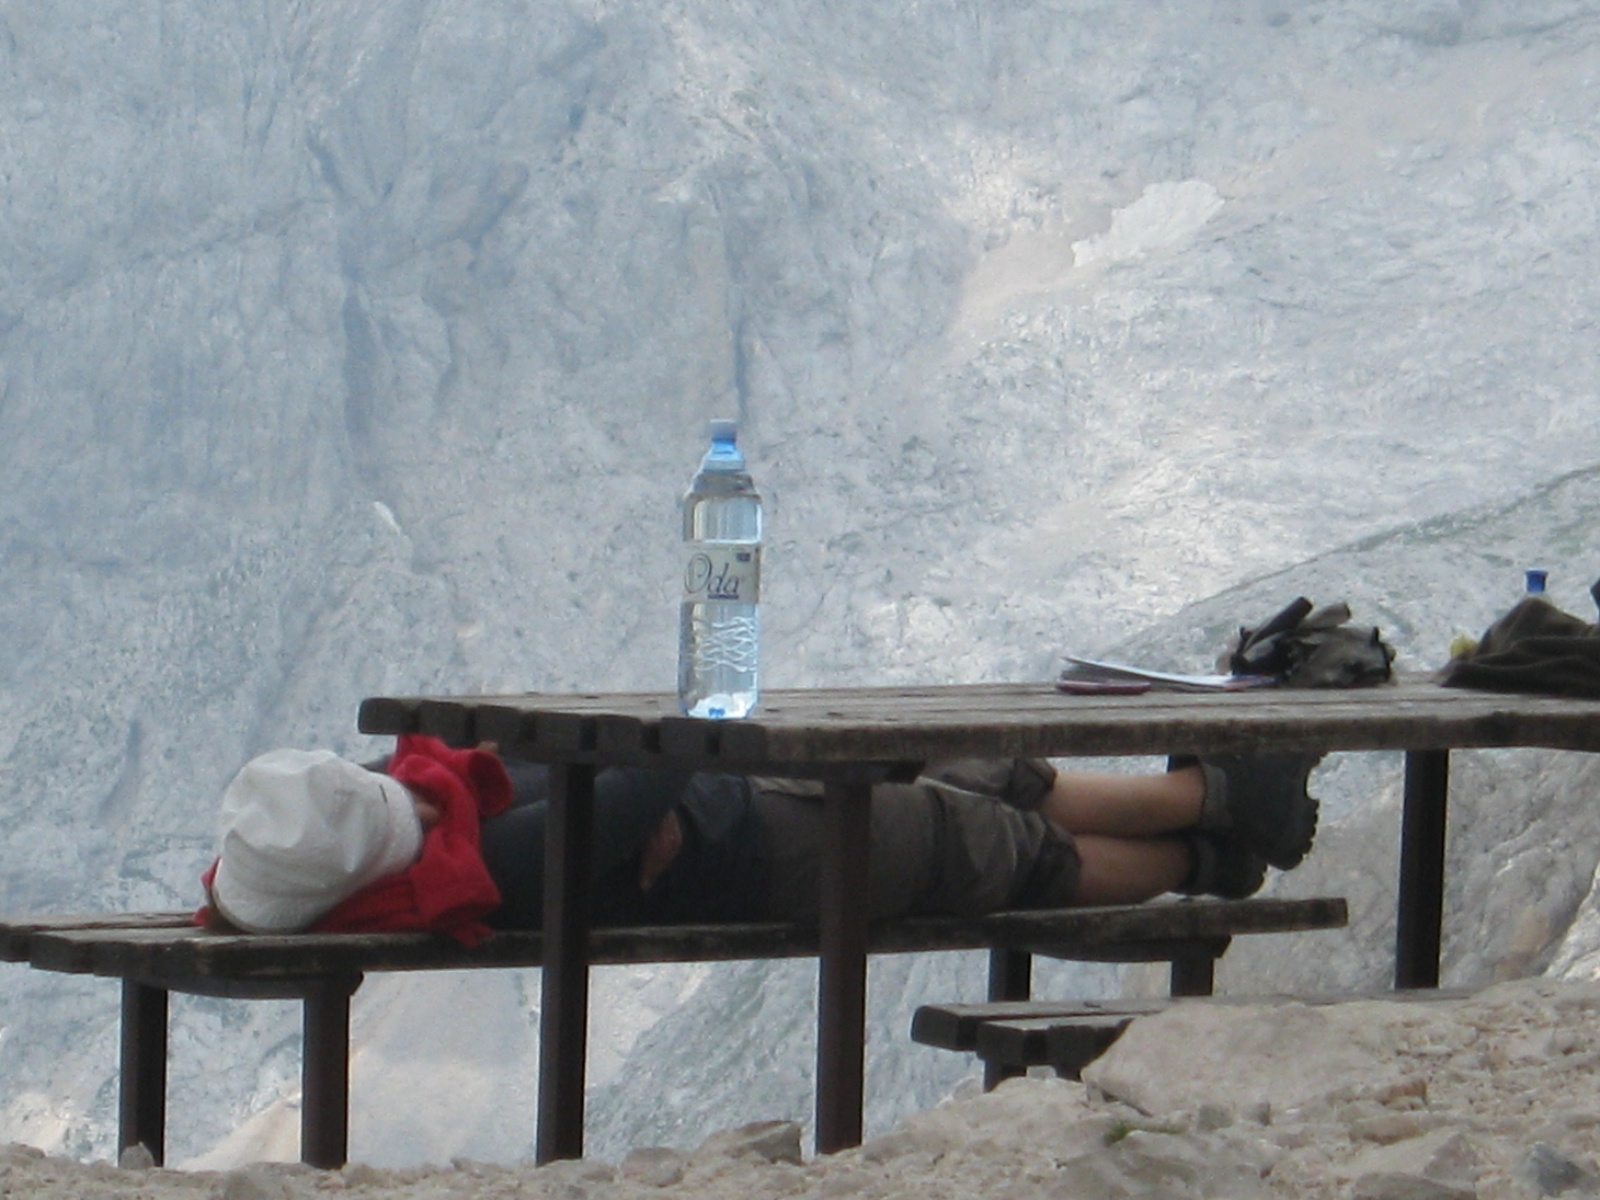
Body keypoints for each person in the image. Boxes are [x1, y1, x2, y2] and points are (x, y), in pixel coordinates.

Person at [200, 734, 1321, 941]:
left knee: (986, 775)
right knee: (995, 846)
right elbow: (642, 769)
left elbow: (613, 778)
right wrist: (633, 802)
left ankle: (1217, 794)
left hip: (744, 811)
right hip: (773, 853)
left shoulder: (420, 825)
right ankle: (1208, 853)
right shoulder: (479, 860)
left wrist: (637, 802)